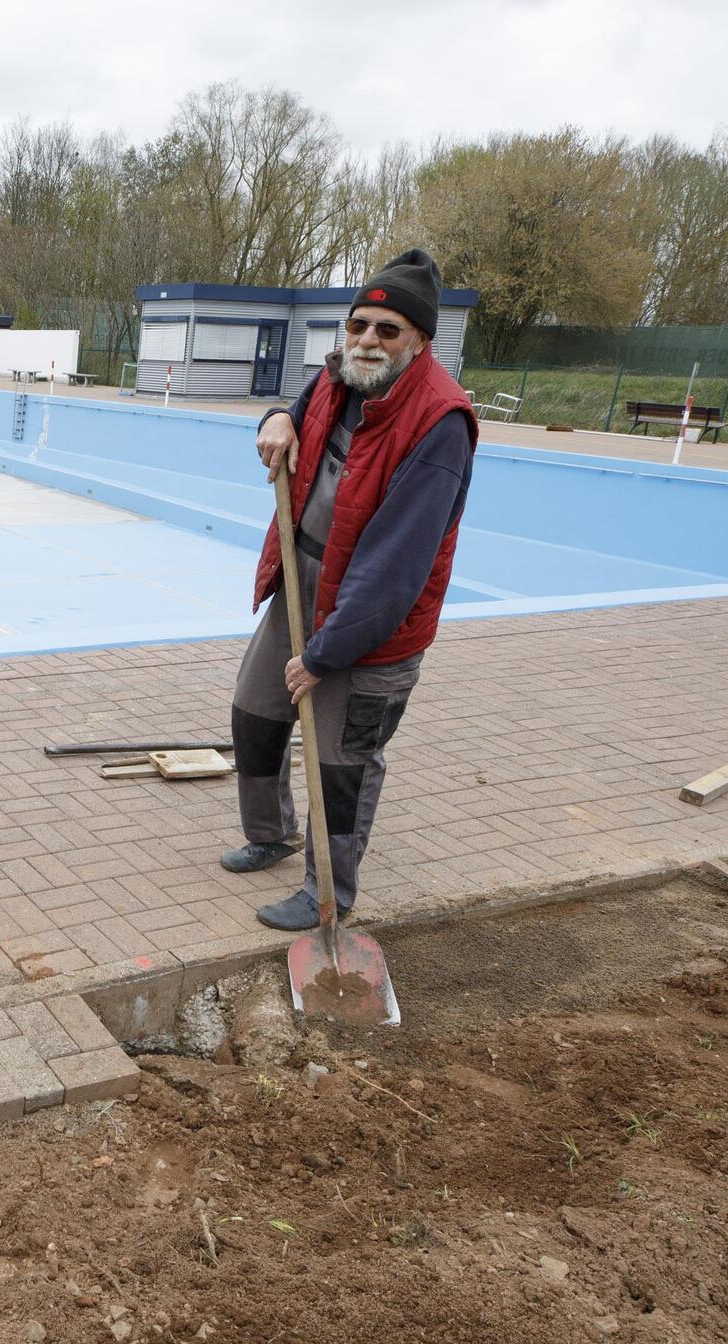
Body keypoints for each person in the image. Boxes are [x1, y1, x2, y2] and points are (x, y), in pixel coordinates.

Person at [220, 249, 479, 930]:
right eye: (358, 324)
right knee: (256, 713)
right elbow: (294, 412)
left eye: (386, 330)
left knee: (343, 762)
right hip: (303, 586)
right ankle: (271, 832)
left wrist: (324, 655)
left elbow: (394, 570)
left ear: (419, 340)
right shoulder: (340, 377)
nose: (367, 339)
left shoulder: (440, 423)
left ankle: (328, 891)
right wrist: (274, 416)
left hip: (375, 622)